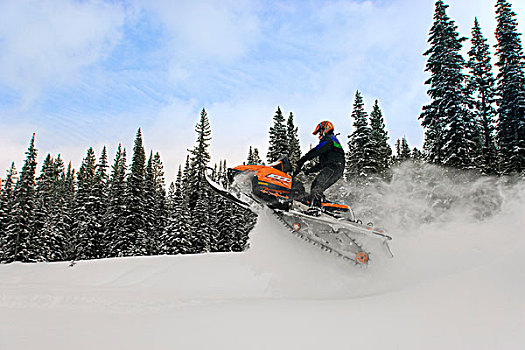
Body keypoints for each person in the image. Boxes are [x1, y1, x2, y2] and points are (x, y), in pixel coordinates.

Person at [293, 121, 345, 216]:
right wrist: (308, 171)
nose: (319, 135)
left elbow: (317, 150)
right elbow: (321, 164)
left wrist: (303, 159)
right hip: (334, 167)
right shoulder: (330, 145)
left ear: (325, 129)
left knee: (317, 186)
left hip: (334, 167)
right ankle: (328, 208)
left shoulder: (329, 139)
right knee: (316, 187)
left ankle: (316, 208)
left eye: (320, 132)